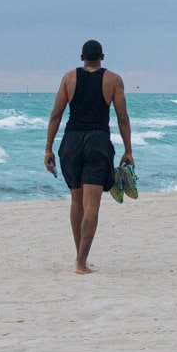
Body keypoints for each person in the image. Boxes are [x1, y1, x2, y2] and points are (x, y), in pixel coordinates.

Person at [44, 40, 133, 274]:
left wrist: (48, 148)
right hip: (97, 142)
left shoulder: (69, 78)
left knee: (77, 201)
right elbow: (123, 118)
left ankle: (79, 258)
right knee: (91, 205)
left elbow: (56, 115)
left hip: (71, 143)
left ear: (81, 57)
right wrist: (128, 150)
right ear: (101, 57)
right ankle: (81, 263)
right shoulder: (113, 80)